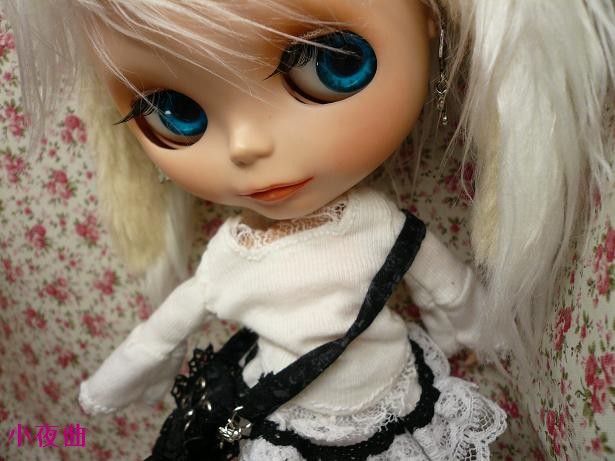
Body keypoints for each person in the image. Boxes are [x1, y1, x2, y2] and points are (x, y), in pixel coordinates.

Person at [3, 0, 613, 459]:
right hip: (288, 422)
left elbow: (447, 287)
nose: (246, 146)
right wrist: (114, 384)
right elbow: (162, 333)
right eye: (175, 110)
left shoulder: (379, 224)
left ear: (430, 16)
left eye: (331, 63)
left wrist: (474, 332)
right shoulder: (232, 256)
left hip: (392, 404)